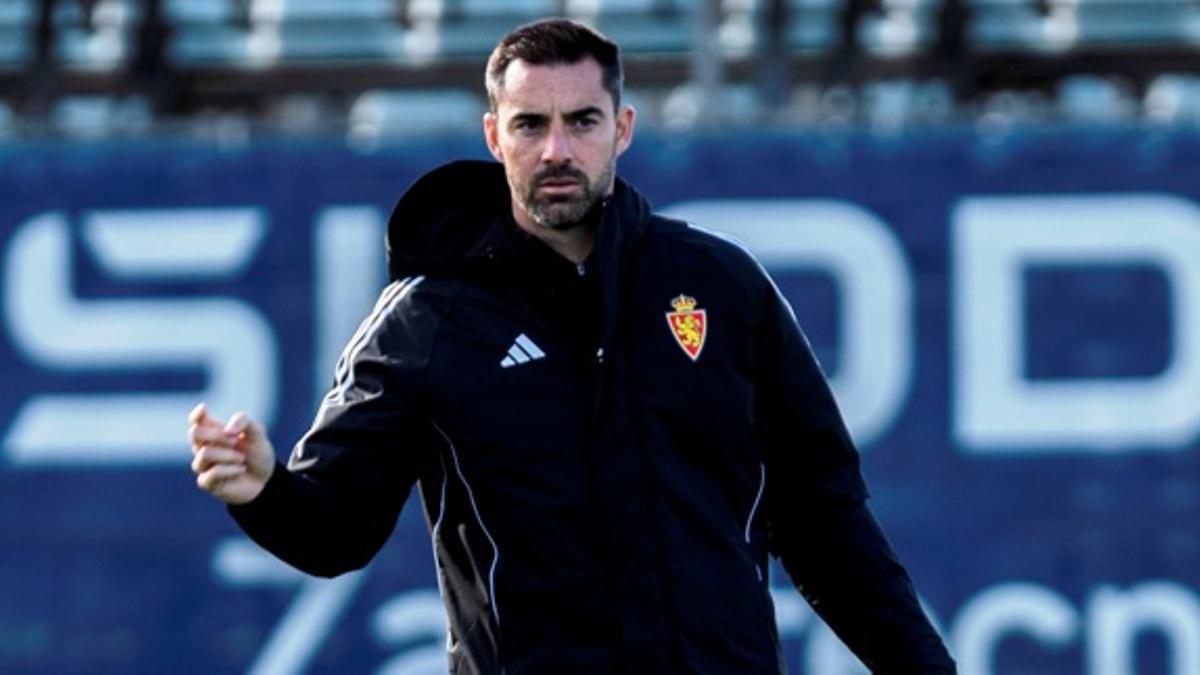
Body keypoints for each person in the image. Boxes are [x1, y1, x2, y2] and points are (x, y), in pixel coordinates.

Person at [189, 17, 956, 675]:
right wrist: (265, 490)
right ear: (494, 135)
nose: (557, 149)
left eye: (582, 121)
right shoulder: (427, 319)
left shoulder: (720, 286)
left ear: (621, 128)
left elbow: (826, 524)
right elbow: (335, 529)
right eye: (531, 124)